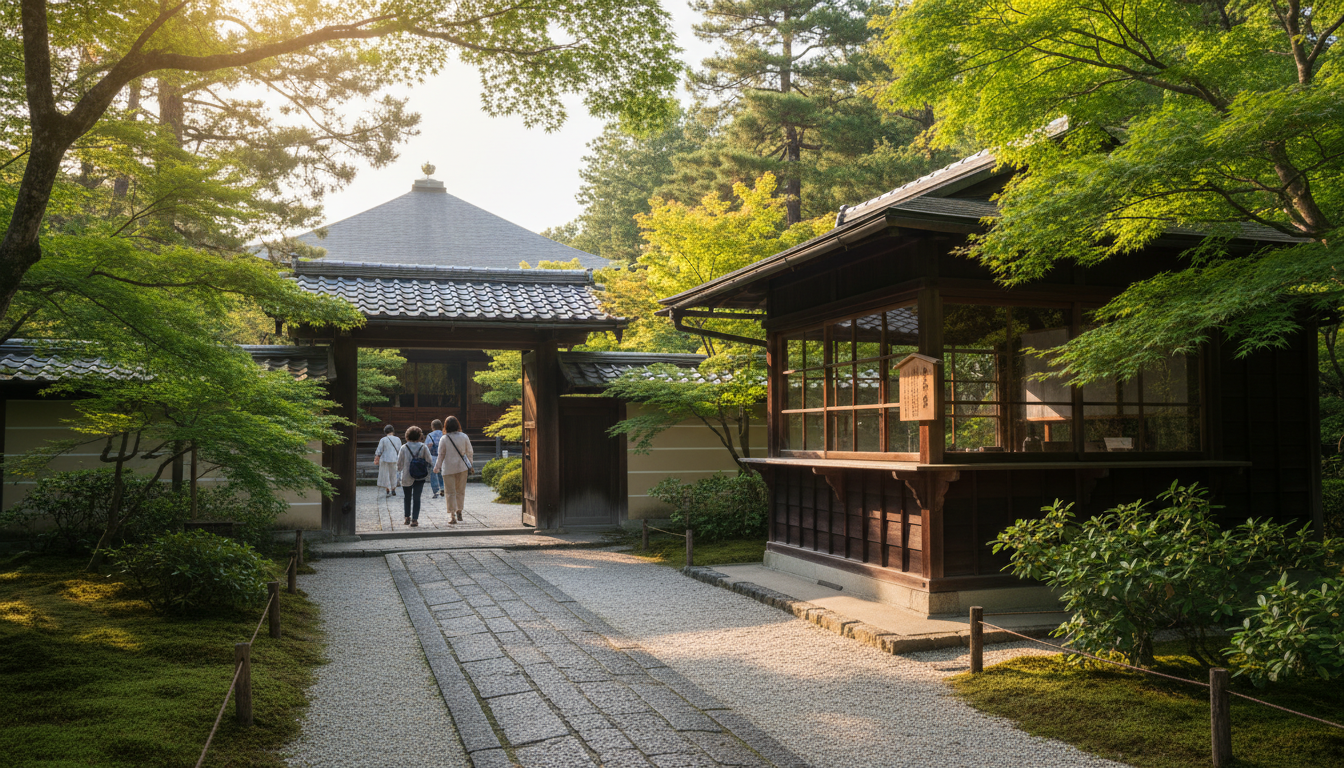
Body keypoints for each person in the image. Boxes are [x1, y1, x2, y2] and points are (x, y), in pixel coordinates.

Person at [433, 416, 473, 524]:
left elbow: (441, 454)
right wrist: (470, 464)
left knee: (450, 492)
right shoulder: (464, 436)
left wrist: (437, 466)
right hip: (462, 468)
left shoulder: (444, 439)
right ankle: (459, 510)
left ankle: (452, 515)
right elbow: (469, 452)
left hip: (448, 468)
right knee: (460, 491)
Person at [397, 426, 431, 527]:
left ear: (407, 435)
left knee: (407, 497)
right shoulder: (423, 447)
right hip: (420, 476)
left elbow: (399, 463)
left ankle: (407, 517)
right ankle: (415, 520)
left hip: (407, 475)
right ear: (419, 436)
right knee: (417, 498)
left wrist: (399, 471)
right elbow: (429, 460)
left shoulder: (404, 447)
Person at [374, 424, 402, 497]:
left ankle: (387, 489)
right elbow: (400, 450)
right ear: (393, 431)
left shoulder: (383, 439)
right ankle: (393, 489)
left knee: (386, 475)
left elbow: (379, 450)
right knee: (393, 475)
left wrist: (376, 457)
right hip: (395, 458)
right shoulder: (398, 439)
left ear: (385, 431)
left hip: (385, 459)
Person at [425, 419, 445, 499]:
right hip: (443, 456)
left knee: (433, 474)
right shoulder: (444, 434)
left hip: (433, 456)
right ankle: (443, 487)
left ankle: (435, 490)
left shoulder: (430, 435)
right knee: (442, 473)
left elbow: (426, 447)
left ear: (432, 426)